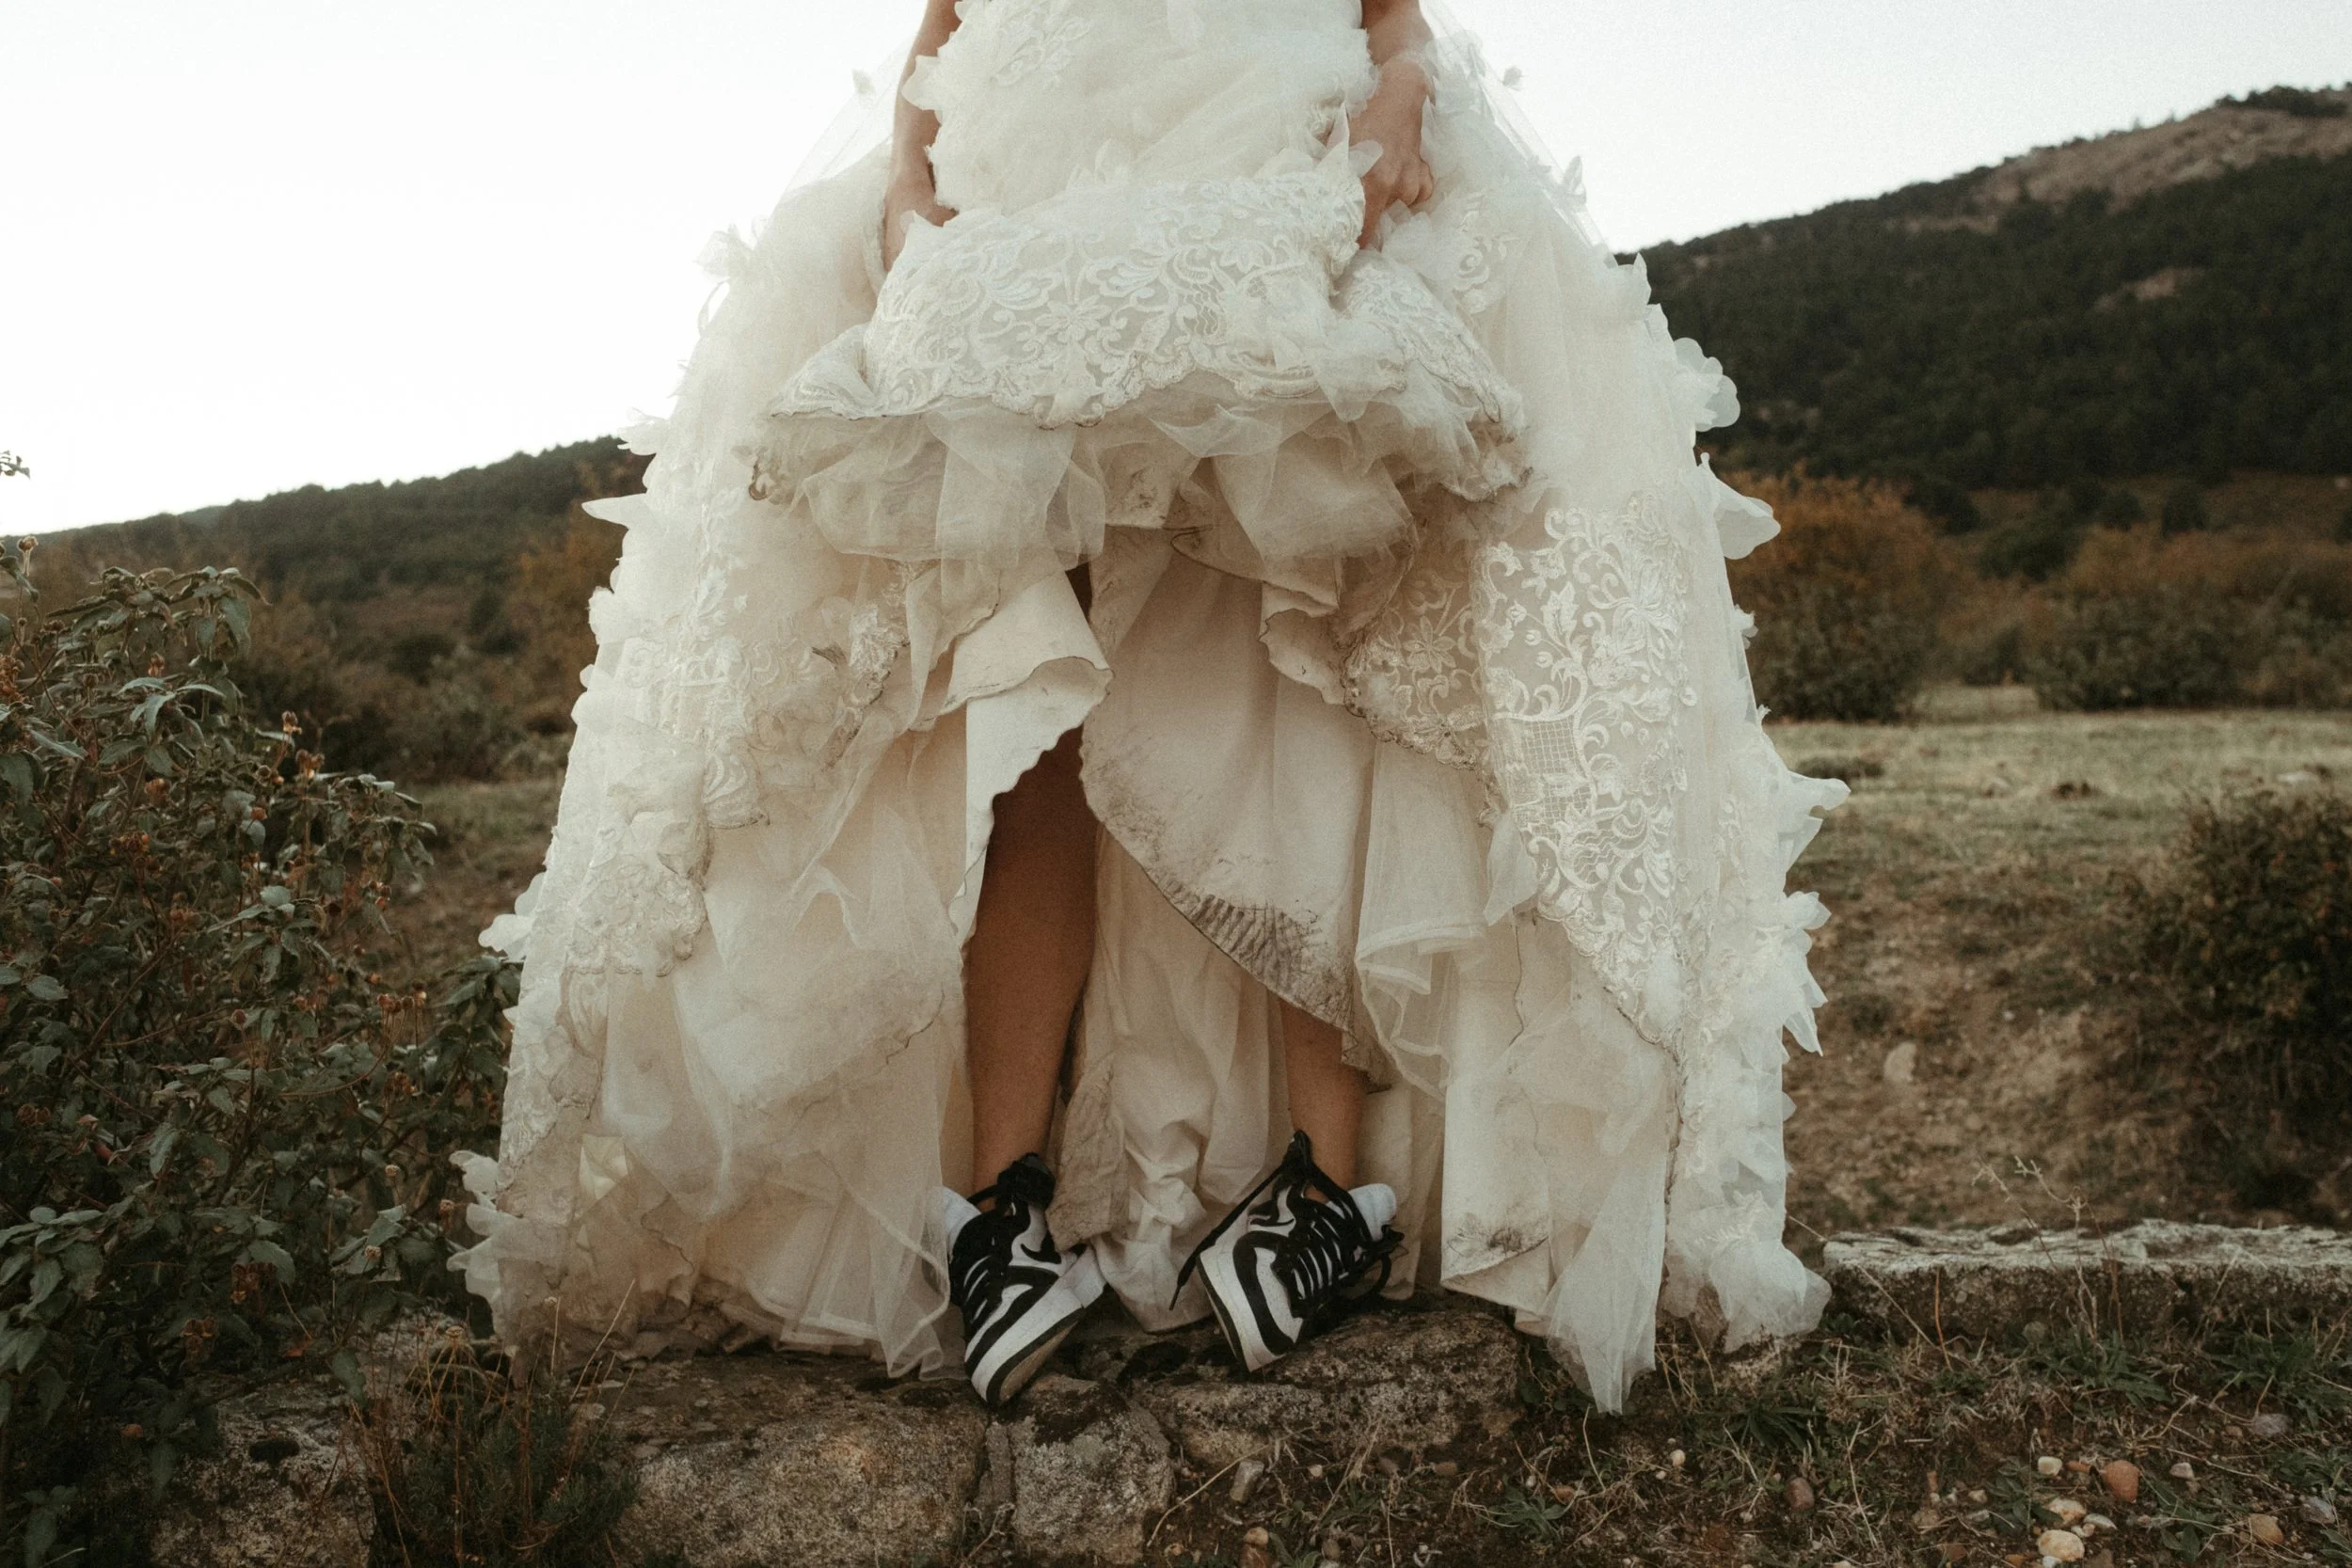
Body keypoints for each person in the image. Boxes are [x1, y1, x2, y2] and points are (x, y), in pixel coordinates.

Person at [456, 0, 1846, 1414]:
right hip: (1043, 163)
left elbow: (1393, 14)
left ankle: (1328, 1185)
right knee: (1025, 681)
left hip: (1272, 137)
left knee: (1281, 637)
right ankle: (1001, 1206)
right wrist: (904, 175)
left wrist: (1400, 101)